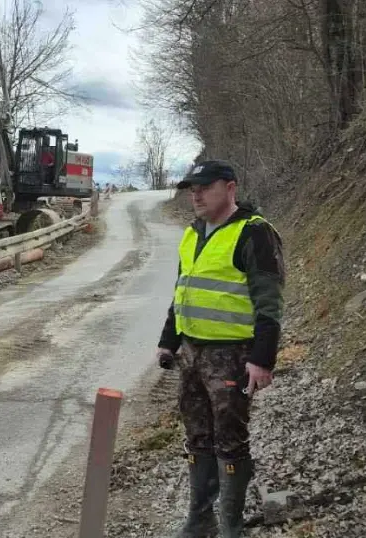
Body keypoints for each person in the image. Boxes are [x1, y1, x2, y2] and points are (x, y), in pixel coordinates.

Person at [157, 160, 285, 538]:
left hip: (232, 357)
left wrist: (262, 359)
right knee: (198, 437)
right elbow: (182, 292)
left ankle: (232, 526)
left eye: (203, 186)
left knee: (230, 440)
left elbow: (269, 303)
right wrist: (168, 340)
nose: (194, 194)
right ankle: (201, 520)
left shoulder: (254, 233)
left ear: (230, 187)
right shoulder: (193, 233)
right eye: (191, 188)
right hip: (192, 355)